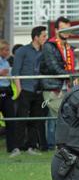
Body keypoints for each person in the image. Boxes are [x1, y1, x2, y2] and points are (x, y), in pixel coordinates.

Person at [40, 16, 75, 150]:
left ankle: (52, 144)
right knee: (60, 114)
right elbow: (53, 67)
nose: (67, 32)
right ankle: (56, 144)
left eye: (69, 29)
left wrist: (71, 76)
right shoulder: (49, 45)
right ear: (56, 30)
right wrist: (72, 75)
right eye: (63, 29)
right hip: (52, 86)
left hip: (64, 86)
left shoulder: (69, 47)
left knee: (54, 116)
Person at [12, 25, 48, 156]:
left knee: (35, 119)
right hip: (25, 89)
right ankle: (17, 147)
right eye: (44, 36)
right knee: (21, 119)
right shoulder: (22, 51)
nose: (46, 38)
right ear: (36, 37)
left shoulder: (45, 51)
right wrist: (20, 89)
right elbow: (15, 72)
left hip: (39, 90)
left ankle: (31, 147)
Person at [0, 40, 17, 155]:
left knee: (10, 119)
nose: (8, 52)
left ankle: (12, 147)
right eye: (6, 49)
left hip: (7, 91)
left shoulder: (7, 62)